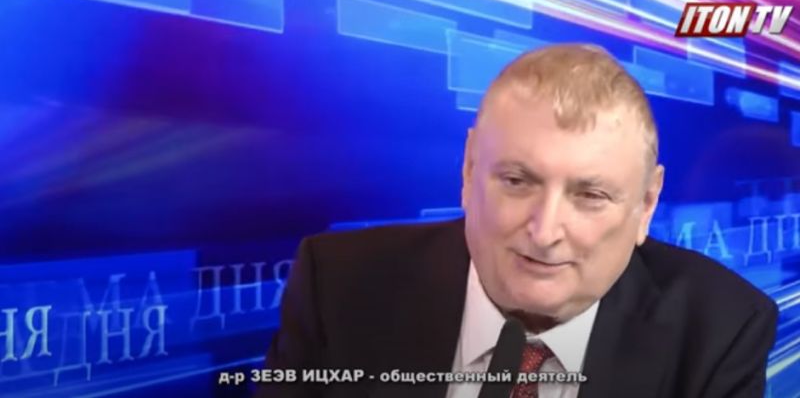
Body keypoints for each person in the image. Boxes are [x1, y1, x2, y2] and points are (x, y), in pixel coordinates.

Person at [256, 44, 778, 398]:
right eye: (516, 181)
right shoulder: (339, 285)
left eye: (590, 195)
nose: (545, 232)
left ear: (646, 204)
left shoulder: (720, 329)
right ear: (468, 169)